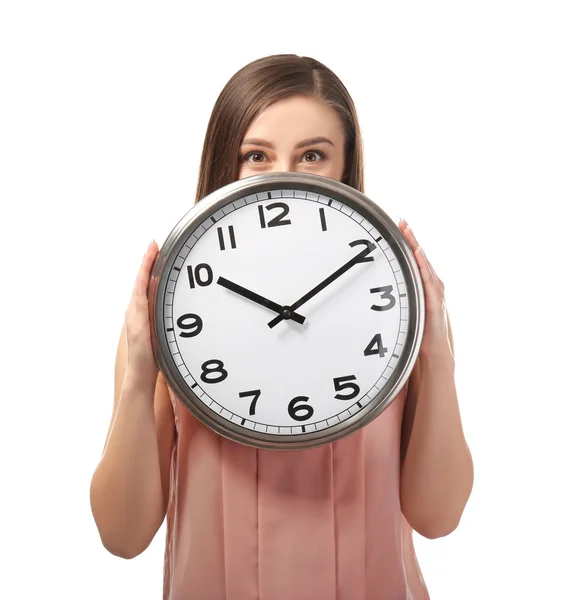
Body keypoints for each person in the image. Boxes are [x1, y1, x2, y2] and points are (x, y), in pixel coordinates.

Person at [90, 54, 474, 600]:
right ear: (227, 166)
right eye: (257, 155)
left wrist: (437, 356)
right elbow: (122, 536)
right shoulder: (173, 312)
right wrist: (137, 374)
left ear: (346, 167)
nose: (286, 176)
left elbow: (438, 517)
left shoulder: (397, 309)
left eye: (313, 154)